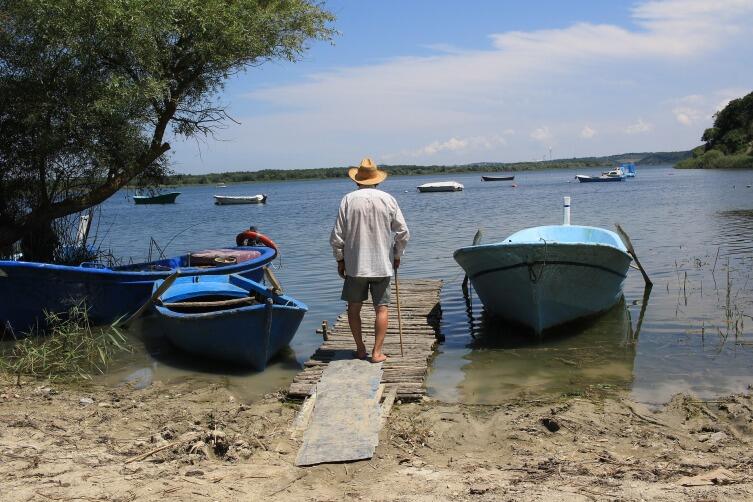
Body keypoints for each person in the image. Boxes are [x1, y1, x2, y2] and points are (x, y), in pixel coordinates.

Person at [330, 157, 410, 363]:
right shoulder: (388, 199)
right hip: (382, 264)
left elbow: (337, 236)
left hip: (355, 265)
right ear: (377, 179)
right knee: (382, 309)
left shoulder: (348, 200)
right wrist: (397, 255)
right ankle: (377, 353)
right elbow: (403, 233)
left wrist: (340, 259)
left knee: (353, 308)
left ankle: (360, 349)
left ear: (357, 180)